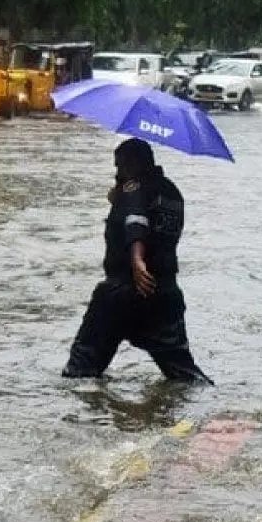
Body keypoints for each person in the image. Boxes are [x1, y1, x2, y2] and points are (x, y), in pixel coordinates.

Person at [62, 138, 213, 384]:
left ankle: (80, 418)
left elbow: (137, 222)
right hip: (164, 293)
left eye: (120, 167)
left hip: (122, 291)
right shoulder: (171, 191)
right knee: (184, 374)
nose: (117, 173)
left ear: (133, 164)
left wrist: (136, 260)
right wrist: (118, 199)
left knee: (80, 371)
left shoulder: (134, 188)